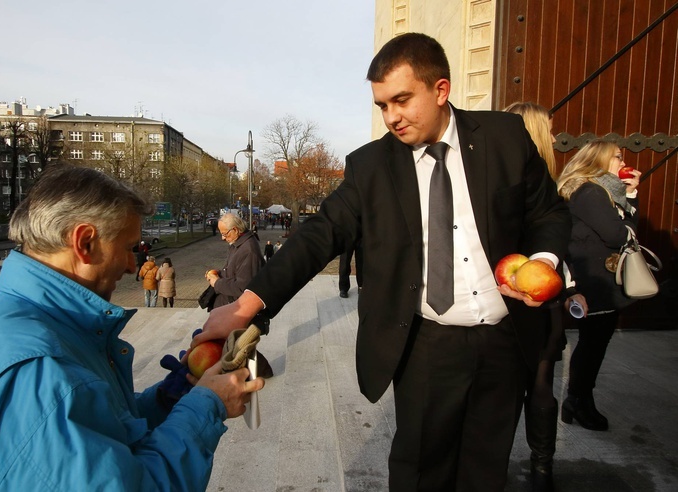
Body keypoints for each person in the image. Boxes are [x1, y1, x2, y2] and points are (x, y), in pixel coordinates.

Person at [196, 33, 571, 491]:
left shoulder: (503, 138)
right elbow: (317, 237)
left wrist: (544, 261)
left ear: (440, 90)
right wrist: (246, 304)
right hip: (427, 344)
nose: (391, 117)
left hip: (505, 340)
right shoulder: (370, 167)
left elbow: (548, 212)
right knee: (419, 472)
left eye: (401, 100)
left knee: (486, 470)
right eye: (381, 106)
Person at [0, 165, 263, 490]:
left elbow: (99, 436)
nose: (133, 265)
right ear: (85, 242)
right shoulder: (39, 374)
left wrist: (167, 399)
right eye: (128, 248)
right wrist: (206, 407)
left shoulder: (14, 321)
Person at [505, 101, 583, 491]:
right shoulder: (546, 187)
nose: (554, 137)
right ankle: (541, 469)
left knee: (505, 387)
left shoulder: (502, 182)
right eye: (548, 129)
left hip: (510, 293)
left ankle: (494, 465)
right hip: (538, 297)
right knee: (540, 385)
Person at [557, 139, 640, 432]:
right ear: (600, 159)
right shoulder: (591, 191)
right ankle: (577, 401)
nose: (621, 161)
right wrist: (631, 199)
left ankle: (580, 399)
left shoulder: (597, 190)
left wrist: (626, 193)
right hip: (594, 282)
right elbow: (618, 236)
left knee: (594, 343)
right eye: (616, 156)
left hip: (596, 279)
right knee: (593, 344)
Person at [205, 213, 273, 378]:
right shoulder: (237, 244)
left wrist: (217, 283)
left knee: (238, 344)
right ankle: (258, 372)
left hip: (238, 307)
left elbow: (243, 287)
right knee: (239, 344)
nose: (222, 237)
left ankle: (259, 372)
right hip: (231, 304)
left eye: (224, 233)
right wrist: (218, 273)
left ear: (235, 230)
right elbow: (232, 271)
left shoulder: (248, 250)